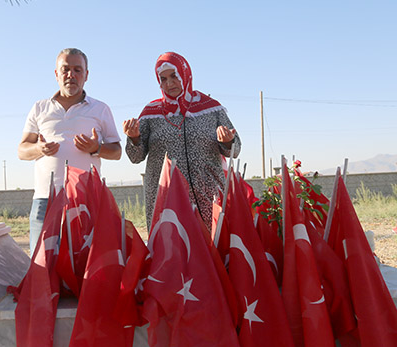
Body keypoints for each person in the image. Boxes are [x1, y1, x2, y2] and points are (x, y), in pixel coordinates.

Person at [18, 48, 121, 255]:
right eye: (65, 69)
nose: (70, 75)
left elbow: (117, 151)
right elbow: (22, 150)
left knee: (83, 265)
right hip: (45, 200)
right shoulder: (39, 108)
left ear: (86, 75)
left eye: (77, 70)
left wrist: (97, 148)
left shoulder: (100, 109)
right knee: (42, 265)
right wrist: (39, 148)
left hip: (85, 200)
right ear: (56, 74)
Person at [124, 51, 240, 230]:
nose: (169, 84)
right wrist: (134, 138)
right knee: (172, 250)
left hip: (207, 197)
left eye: (174, 76)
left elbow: (235, 149)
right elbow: (135, 157)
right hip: (167, 198)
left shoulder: (211, 108)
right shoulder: (150, 113)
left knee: (210, 250)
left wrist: (227, 141)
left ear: (185, 74)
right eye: (163, 79)